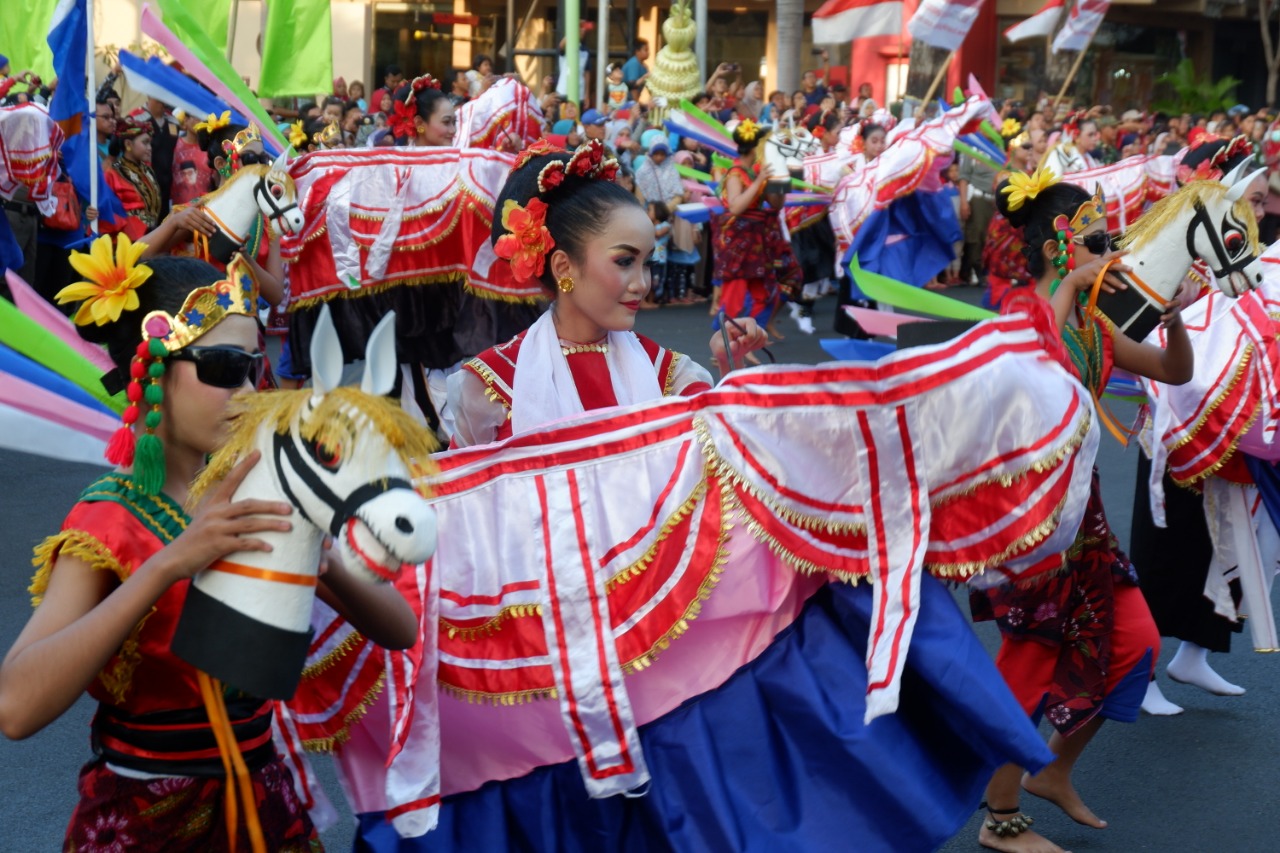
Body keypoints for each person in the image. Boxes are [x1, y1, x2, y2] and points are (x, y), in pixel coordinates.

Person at [0, 241, 416, 850]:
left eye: (255, 368)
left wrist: (323, 559)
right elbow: (16, 707)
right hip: (147, 817)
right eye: (224, 368)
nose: (247, 391)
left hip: (265, 806)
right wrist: (169, 564)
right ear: (153, 371)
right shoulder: (108, 521)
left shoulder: (258, 491)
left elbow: (399, 630)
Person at [970, 170, 1191, 853]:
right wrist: (1072, 287)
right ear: (1055, 249)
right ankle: (998, 816)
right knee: (1031, 662)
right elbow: (1034, 372)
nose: (1108, 251)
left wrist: (1175, 310)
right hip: (1032, 522)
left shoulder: (1092, 322)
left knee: (1137, 645)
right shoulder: (1018, 316)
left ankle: (1053, 769)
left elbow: (1174, 371)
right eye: (1095, 240)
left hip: (1082, 517)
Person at [448, 138, 765, 447]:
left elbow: (721, 457)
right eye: (625, 261)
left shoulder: (666, 371)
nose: (642, 283)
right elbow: (462, 494)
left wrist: (729, 366)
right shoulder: (495, 381)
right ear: (563, 267)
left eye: (647, 263)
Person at [1130, 136, 1269, 717]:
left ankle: (1196, 652)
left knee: (1221, 543)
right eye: (1252, 200)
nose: (1259, 211)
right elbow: (1136, 332)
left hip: (1229, 420)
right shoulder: (1164, 250)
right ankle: (1138, 672)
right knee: (1167, 542)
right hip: (1173, 421)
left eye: (1262, 201)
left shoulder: (1238, 254)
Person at [712, 120, 801, 348]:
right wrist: (760, 181)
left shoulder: (755, 172)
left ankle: (747, 342)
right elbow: (735, 207)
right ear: (755, 148)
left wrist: (780, 180)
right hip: (738, 246)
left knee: (764, 295)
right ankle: (721, 343)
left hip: (757, 243)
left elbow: (776, 204)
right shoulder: (735, 174)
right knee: (733, 300)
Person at [108, 111, 162, 236]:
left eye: (150, 143)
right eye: (145, 142)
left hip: (151, 236)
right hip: (126, 240)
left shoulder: (147, 170)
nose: (150, 148)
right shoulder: (113, 173)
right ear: (128, 144)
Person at [956, 141, 1002, 287]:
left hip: (994, 199)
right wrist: (964, 202)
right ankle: (977, 271)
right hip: (977, 197)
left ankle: (982, 270)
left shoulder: (998, 147)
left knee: (991, 237)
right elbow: (964, 177)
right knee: (975, 235)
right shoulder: (972, 148)